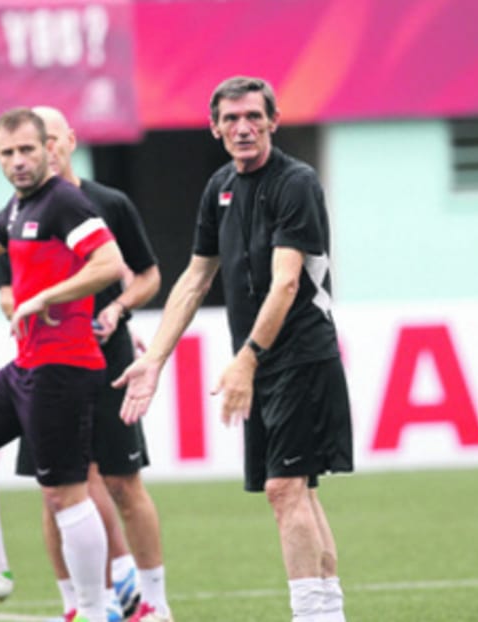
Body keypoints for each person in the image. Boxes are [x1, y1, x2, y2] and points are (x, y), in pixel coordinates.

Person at [113, 76, 353, 621]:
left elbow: (287, 283)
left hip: (300, 354)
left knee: (284, 488)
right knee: (299, 491)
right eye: (231, 119)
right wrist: (152, 360)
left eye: (252, 116)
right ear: (215, 127)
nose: (242, 127)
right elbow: (195, 279)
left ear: (272, 119)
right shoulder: (219, 186)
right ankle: (327, 614)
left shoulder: (296, 182)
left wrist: (247, 358)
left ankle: (312, 616)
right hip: (265, 359)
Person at [0, 106, 173, 622]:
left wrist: (103, 306)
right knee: (60, 490)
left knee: (93, 487)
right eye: (11, 151)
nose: (23, 158)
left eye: (32, 146)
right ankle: (16, 575)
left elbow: (123, 267)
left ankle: (123, 605)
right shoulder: (21, 206)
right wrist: (26, 302)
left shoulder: (78, 203)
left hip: (75, 364)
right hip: (32, 361)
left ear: (59, 143)